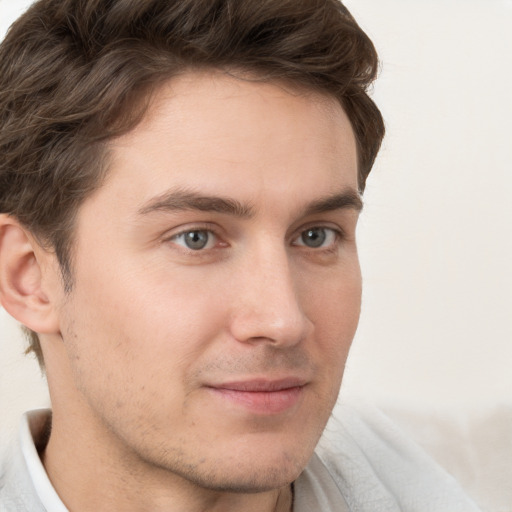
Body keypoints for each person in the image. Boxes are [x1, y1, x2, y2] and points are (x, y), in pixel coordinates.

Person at [0, 1, 481, 511]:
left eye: (316, 236)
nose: (283, 320)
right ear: (28, 276)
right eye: (196, 239)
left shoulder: (458, 477)